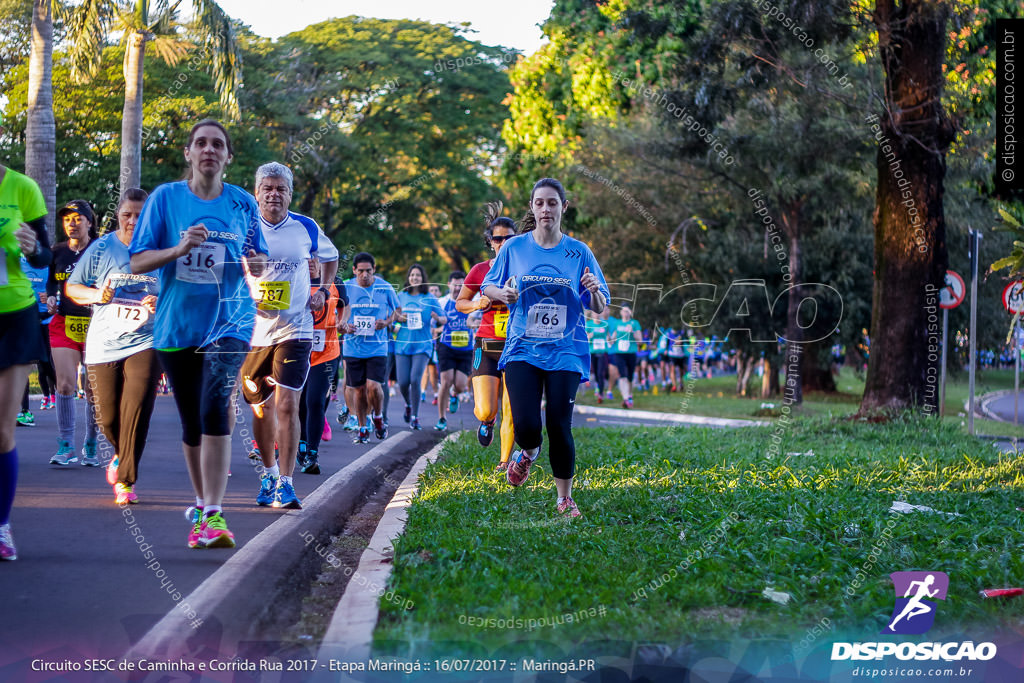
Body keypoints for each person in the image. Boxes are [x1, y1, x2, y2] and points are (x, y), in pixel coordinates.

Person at [129, 118, 267, 549]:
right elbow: (137, 261)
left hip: (230, 322)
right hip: (176, 325)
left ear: (228, 156)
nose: (209, 150)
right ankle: (202, 506)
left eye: (218, 144)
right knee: (191, 421)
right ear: (188, 153)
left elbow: (257, 254)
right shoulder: (166, 199)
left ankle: (214, 513)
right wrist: (178, 249)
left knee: (214, 406)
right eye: (201, 143)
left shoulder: (242, 203)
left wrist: (258, 264)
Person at [482, 177, 609, 518]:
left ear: (563, 207)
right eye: (539, 203)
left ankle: (564, 498)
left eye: (552, 203)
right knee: (525, 425)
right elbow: (488, 285)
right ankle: (528, 452)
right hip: (523, 346)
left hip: (566, 349)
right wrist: (502, 294)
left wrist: (593, 290)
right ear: (532, 208)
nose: (545, 209)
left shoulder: (579, 252)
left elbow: (598, 304)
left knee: (559, 424)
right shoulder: (514, 248)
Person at [242, 162, 338, 510]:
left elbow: (331, 257)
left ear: (290, 193)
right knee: (260, 408)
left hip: (296, 328)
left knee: (286, 404)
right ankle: (268, 474)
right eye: (267, 187)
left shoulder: (306, 227)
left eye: (281, 188)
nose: (274, 194)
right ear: (257, 192)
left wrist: (323, 291)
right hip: (253, 332)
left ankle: (286, 483)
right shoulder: (243, 226)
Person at [66, 188, 160, 505]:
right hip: (104, 343)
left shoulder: (161, 249)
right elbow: (73, 288)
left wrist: (161, 300)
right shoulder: (101, 248)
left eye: (140, 215)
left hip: (147, 339)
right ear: (117, 216)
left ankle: (126, 482)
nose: (133, 220)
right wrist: (97, 296)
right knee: (107, 416)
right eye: (127, 215)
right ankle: (122, 454)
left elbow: (179, 290)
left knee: (136, 409)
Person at [0, 157, 52, 560]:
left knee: (2, 432)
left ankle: (1, 526)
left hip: (13, 316)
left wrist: (34, 250)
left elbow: (43, 257)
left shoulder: (22, 188)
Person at [457, 202, 516, 470]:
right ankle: (487, 421)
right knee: (485, 409)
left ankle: (504, 462)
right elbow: (461, 303)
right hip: (487, 343)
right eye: (497, 238)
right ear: (490, 242)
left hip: (517, 345)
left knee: (512, 410)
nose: (503, 243)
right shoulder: (480, 270)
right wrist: (477, 304)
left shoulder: (525, 268)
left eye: (508, 238)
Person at [47, 200, 101, 465]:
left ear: (90, 222)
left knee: (93, 389)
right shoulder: (56, 252)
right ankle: (66, 444)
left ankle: (91, 443)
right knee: (65, 383)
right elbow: (49, 285)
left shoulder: (101, 249)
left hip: (97, 323)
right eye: (67, 219)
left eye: (78, 218)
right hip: (64, 323)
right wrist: (49, 298)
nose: (72, 224)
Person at [338, 252, 399, 444]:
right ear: (354, 270)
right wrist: (344, 325)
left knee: (374, 387)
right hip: (352, 348)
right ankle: (363, 428)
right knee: (358, 390)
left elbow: (398, 311)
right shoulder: (346, 287)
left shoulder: (384, 287)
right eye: (361, 271)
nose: (365, 275)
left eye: (369, 271)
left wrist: (387, 322)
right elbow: (335, 312)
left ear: (374, 270)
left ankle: (378, 418)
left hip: (377, 347)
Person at [298, 258, 346, 474]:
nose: (311, 262)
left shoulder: (335, 282)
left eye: (315, 258)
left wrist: (342, 321)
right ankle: (300, 442)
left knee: (315, 401)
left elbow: (345, 306)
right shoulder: (296, 278)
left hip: (326, 353)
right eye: (306, 257)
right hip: (297, 350)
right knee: (298, 404)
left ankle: (312, 453)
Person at [395, 264, 444, 430]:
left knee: (415, 380)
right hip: (402, 344)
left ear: (422, 278)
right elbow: (392, 316)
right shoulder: (400, 296)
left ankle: (415, 417)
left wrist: (437, 317)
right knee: (402, 382)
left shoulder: (429, 298)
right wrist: (400, 318)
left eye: (417, 275)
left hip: (422, 345)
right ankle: (408, 405)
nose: (414, 278)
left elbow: (444, 319)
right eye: (411, 275)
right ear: (408, 278)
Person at [16, 250, 57, 426]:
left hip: (44, 319)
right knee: (22, 362)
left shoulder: (49, 262)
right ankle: (25, 412)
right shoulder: (15, 261)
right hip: (23, 317)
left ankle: (64, 396)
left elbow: (61, 288)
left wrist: (52, 298)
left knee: (45, 362)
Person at [434, 271, 472, 431]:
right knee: (446, 381)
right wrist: (437, 326)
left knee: (461, 386)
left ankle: (455, 395)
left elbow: (478, 318)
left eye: (461, 285)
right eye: (455, 285)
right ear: (449, 284)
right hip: (446, 347)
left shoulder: (471, 302)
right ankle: (442, 418)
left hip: (466, 348)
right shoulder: (442, 302)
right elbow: (432, 321)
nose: (457, 288)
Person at [608, 305, 642, 408]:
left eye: (627, 311)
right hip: (619, 353)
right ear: (621, 312)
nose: (625, 313)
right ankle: (626, 398)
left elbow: (639, 341)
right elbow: (612, 339)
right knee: (622, 375)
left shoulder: (635, 323)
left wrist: (632, 332)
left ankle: (629, 395)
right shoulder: (617, 324)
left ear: (630, 312)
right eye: (624, 311)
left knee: (630, 376)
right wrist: (609, 339)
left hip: (631, 352)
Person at [585, 308, 610, 403]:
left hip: (602, 351)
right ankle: (598, 386)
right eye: (594, 313)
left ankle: (601, 394)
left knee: (600, 373)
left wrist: (610, 340)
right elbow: (586, 338)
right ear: (592, 315)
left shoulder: (605, 324)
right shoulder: (589, 324)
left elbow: (608, 336)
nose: (596, 315)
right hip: (592, 352)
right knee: (595, 373)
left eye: (598, 313)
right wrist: (589, 336)